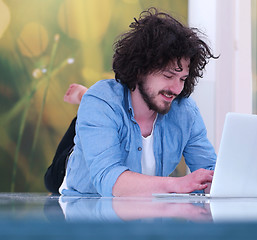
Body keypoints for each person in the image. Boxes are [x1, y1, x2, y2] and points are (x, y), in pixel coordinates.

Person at [44, 7, 218, 197]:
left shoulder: (186, 112)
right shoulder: (102, 101)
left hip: (138, 209)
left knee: (99, 106)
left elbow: (211, 174)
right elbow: (109, 181)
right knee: (94, 107)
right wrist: (179, 184)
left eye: (183, 79)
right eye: (168, 76)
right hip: (71, 177)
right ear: (140, 69)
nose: (177, 89)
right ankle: (85, 99)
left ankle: (86, 99)